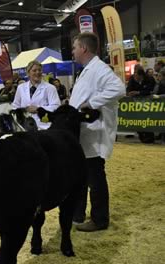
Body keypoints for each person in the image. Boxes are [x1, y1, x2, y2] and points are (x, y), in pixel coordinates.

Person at [69, 32, 126, 232]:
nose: (73, 51)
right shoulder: (87, 70)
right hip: (85, 134)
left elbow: (119, 89)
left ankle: (100, 220)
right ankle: (77, 213)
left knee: (95, 178)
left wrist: (91, 103)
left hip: (95, 133)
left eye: (75, 47)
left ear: (84, 48)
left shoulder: (99, 69)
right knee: (82, 177)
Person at [11, 60, 60, 130]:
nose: (37, 72)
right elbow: (15, 106)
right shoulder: (21, 88)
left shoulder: (50, 88)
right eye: (34, 70)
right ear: (28, 73)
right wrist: (24, 110)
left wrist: (38, 109)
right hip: (24, 126)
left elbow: (56, 107)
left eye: (39, 70)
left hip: (43, 127)